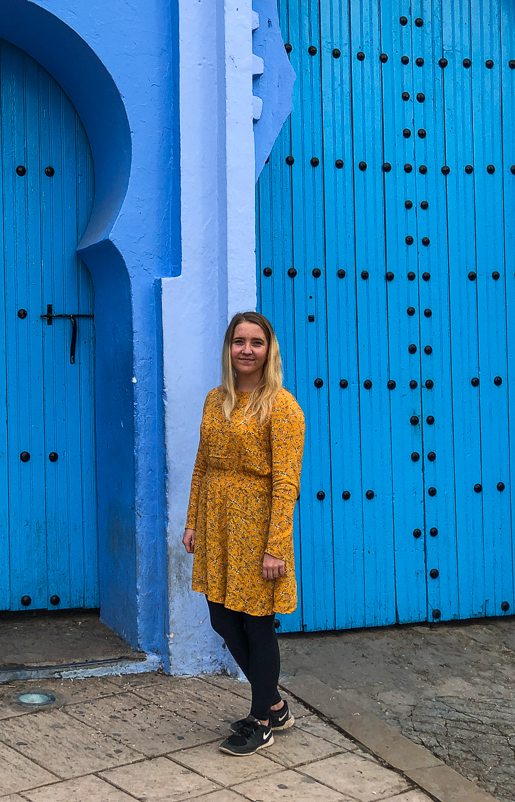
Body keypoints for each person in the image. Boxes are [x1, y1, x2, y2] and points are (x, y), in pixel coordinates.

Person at [183, 311, 305, 756]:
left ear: (268, 350)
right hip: (217, 523)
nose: (247, 350)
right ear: (229, 348)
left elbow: (286, 483)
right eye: (239, 341)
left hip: (256, 528)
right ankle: (274, 704)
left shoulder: (283, 407)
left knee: (257, 624)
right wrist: (193, 520)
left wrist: (276, 547)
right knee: (221, 616)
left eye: (256, 342)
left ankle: (261, 721)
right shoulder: (216, 400)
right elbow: (202, 463)